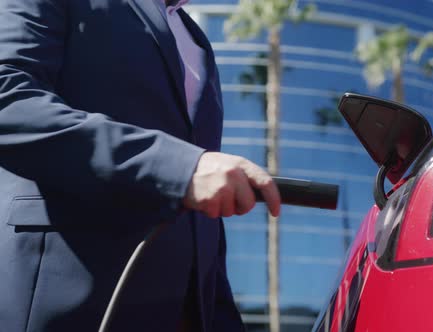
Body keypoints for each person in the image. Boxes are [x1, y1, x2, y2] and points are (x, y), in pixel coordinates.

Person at [0, 0, 280, 331]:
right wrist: (180, 169)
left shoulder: (197, 40)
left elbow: (201, 198)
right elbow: (9, 100)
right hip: (68, 295)